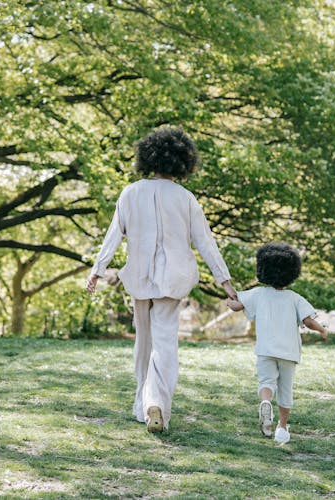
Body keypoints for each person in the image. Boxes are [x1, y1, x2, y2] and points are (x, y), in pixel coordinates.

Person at [85, 126, 237, 433]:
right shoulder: (186, 198)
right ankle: (156, 405)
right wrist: (226, 283)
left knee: (144, 344)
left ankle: (144, 404)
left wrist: (97, 270)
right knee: (165, 343)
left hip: (139, 278)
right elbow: (206, 244)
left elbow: (113, 236)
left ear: (148, 157)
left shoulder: (130, 193)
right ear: (183, 161)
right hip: (174, 279)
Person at [227, 242, 327, 444]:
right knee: (286, 388)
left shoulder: (258, 293)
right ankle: (282, 428)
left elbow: (237, 305)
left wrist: (230, 300)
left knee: (267, 383)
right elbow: (308, 321)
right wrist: (323, 330)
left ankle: (265, 402)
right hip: (289, 352)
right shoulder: (295, 298)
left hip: (265, 349)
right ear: (292, 273)